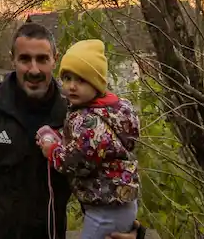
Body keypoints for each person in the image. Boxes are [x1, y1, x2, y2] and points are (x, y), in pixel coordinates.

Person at [0, 22, 143, 239]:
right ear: (12, 59)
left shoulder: (77, 116)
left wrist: (132, 230)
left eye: (42, 59)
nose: (34, 69)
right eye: (25, 59)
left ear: (54, 59)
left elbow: (110, 174)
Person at [36, 40, 140, 239]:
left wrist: (53, 150)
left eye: (82, 80)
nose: (72, 86)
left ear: (97, 83)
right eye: (67, 78)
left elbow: (77, 161)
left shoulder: (89, 122)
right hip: (119, 201)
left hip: (106, 208)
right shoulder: (114, 109)